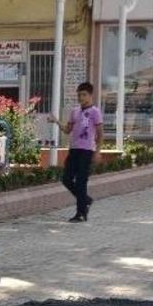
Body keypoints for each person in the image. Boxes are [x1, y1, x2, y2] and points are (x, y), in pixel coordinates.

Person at [47, 82, 104, 223]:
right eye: (79, 95)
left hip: (86, 151)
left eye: (84, 94)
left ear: (90, 95)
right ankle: (86, 200)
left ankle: (80, 213)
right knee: (66, 179)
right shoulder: (75, 111)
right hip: (74, 150)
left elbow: (100, 134)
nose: (81, 97)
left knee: (81, 182)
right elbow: (67, 130)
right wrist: (56, 121)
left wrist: (97, 151)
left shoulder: (95, 112)